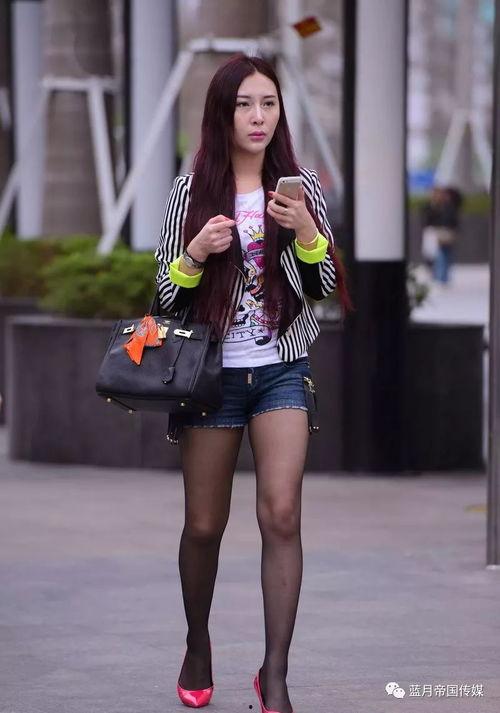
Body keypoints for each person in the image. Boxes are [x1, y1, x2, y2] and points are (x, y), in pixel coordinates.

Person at [154, 53, 351, 713]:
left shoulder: (300, 189)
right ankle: (197, 643)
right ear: (222, 113)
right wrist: (195, 254)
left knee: (282, 514)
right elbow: (165, 299)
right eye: (244, 104)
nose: (258, 116)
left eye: (268, 103)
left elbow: (323, 289)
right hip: (211, 377)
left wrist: (308, 235)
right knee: (203, 525)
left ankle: (276, 674)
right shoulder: (190, 192)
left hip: (280, 370)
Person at [420, 185, 462, 285]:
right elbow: (425, 220)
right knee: (435, 255)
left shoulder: (448, 206)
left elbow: (453, 219)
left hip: (446, 233)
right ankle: (438, 276)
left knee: (445, 254)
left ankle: (443, 277)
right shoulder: (429, 206)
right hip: (433, 234)